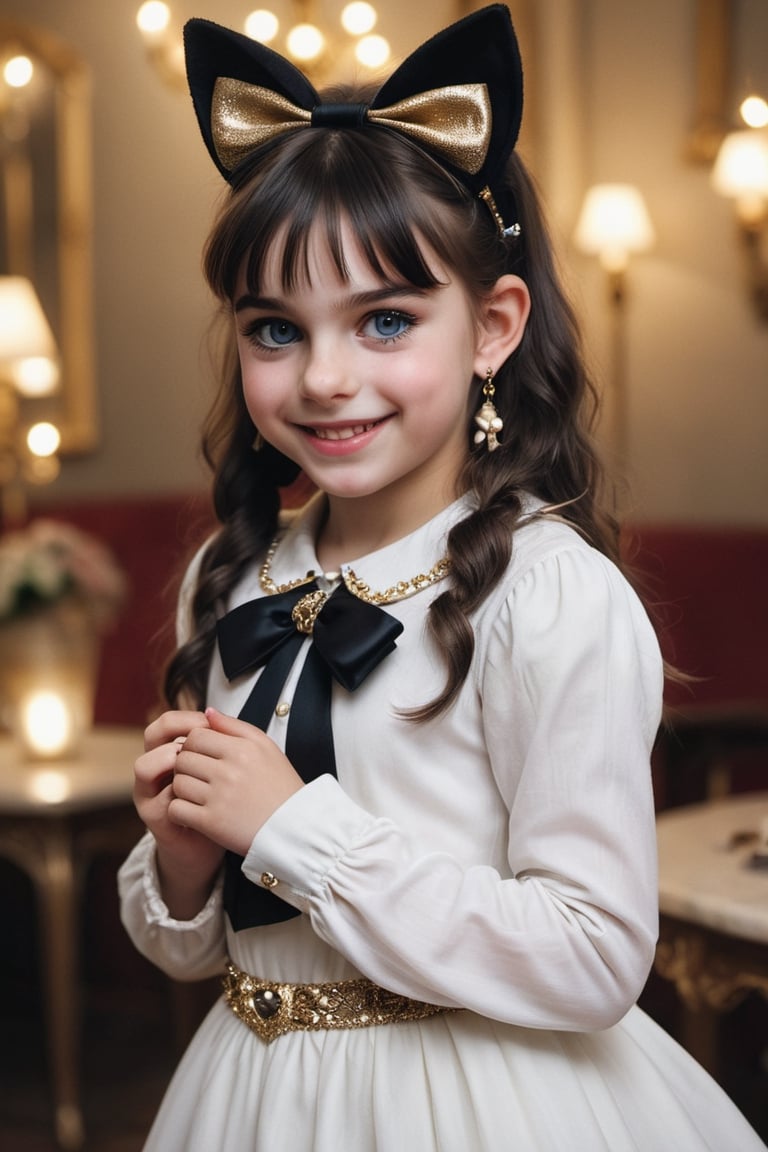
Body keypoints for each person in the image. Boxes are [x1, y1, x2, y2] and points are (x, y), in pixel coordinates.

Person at [118, 7, 766, 1150]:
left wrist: (296, 831)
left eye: (384, 320)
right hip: (253, 1098)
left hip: (483, 1104)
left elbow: (596, 953)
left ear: (492, 325)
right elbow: (196, 947)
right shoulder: (229, 576)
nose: (324, 378)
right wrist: (183, 863)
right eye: (275, 329)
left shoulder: (547, 592)